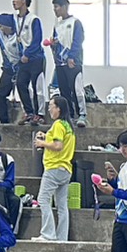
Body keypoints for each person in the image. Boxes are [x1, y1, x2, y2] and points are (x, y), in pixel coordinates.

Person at [0, 0, 46, 124]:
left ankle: (40, 114)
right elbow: (2, 19)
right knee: (20, 84)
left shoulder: (34, 19)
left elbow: (37, 40)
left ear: (24, 1)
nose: (13, 1)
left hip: (35, 58)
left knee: (37, 86)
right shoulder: (14, 19)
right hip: (24, 59)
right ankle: (29, 113)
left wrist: (28, 54)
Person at [32, 95, 76, 243]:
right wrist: (45, 136)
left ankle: (48, 234)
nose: (49, 109)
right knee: (62, 206)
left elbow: (58, 146)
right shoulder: (68, 126)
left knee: (43, 200)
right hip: (66, 169)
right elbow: (60, 141)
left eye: (51, 106)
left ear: (59, 108)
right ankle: (62, 237)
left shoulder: (57, 124)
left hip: (54, 167)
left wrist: (41, 143)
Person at [49, 0, 88, 128]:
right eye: (54, 7)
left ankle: (81, 114)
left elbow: (78, 40)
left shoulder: (75, 22)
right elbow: (56, 42)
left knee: (76, 89)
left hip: (73, 62)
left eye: (56, 7)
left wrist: (72, 57)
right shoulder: (57, 25)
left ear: (65, 7)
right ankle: (69, 115)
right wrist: (53, 44)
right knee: (64, 91)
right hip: (60, 63)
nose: (55, 10)